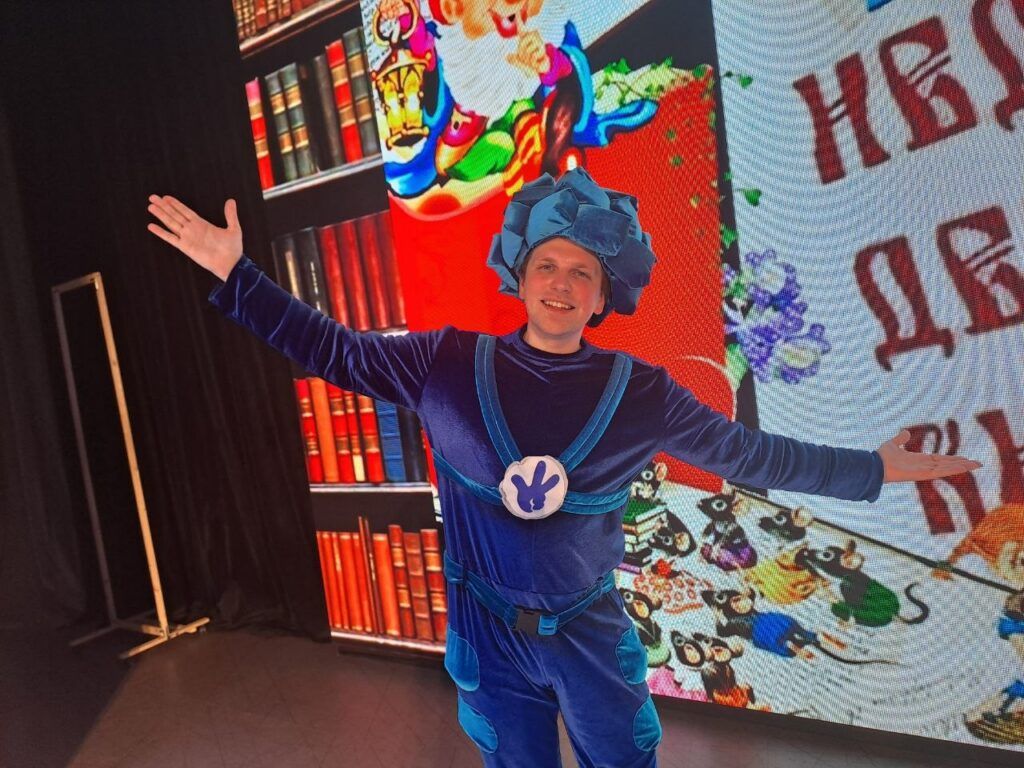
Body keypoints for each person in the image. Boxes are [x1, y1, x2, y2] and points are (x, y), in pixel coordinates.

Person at [147, 168, 982, 768]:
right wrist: (236, 275)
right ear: (519, 272)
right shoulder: (445, 362)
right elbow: (332, 350)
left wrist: (873, 469)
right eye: (547, 262)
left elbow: (749, 454)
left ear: (604, 294)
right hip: (487, 632)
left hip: (589, 635)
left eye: (583, 271)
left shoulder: (640, 392)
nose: (561, 281)